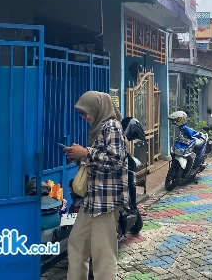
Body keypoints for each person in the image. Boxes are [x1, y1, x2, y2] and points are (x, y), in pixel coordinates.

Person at [64, 91, 128, 280]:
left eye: (86, 113)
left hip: (106, 201)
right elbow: (97, 160)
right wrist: (79, 156)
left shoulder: (111, 126)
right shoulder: (98, 128)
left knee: (103, 254)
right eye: (82, 114)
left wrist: (86, 152)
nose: (85, 118)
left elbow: (116, 160)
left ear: (98, 109)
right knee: (76, 245)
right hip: (92, 199)